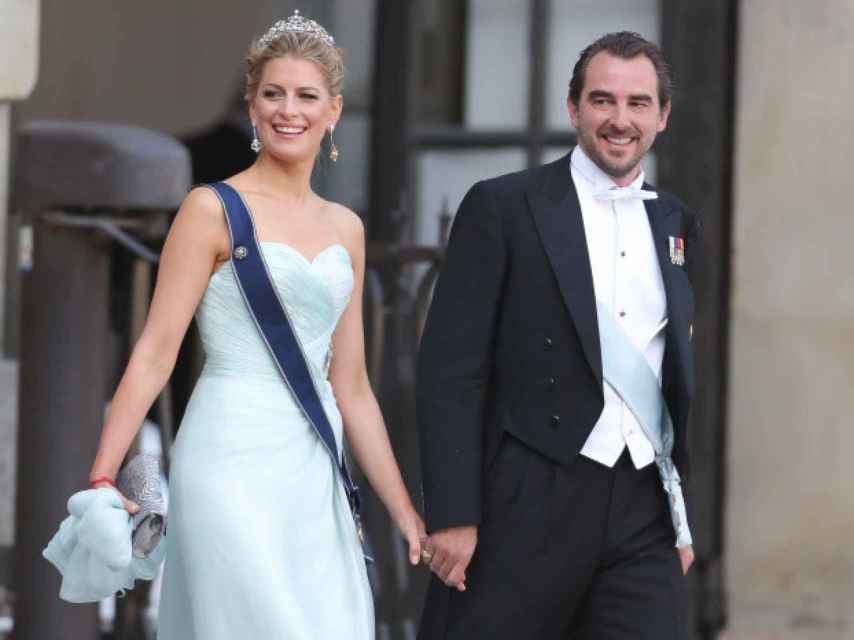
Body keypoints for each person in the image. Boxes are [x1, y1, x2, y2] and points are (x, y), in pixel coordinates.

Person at [85, 11, 424, 639]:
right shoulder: (210, 208)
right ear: (251, 104)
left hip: (314, 468)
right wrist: (104, 474)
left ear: (333, 111)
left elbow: (351, 386)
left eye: (305, 96)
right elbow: (156, 353)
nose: (287, 110)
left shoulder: (345, 228)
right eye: (273, 94)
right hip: (226, 459)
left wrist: (402, 510)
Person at [416, 31, 700, 639]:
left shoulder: (673, 220)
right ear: (574, 109)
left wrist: (680, 517)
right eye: (603, 101)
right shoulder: (504, 207)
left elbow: (674, 373)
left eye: (638, 104)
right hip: (529, 492)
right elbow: (450, 369)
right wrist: (453, 514)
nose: (620, 120)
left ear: (663, 115)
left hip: (641, 505)